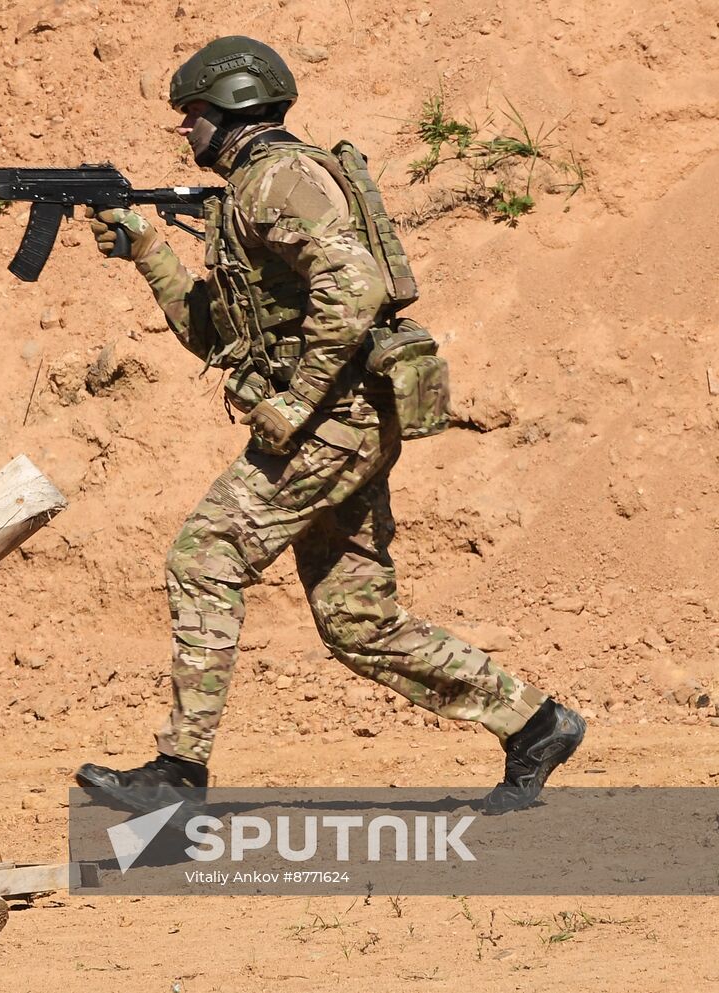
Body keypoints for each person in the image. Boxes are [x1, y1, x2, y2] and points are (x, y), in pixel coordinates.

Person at [74, 35, 583, 816]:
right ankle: (534, 722)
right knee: (358, 620)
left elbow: (355, 287)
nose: (184, 131)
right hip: (340, 420)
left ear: (234, 107)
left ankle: (179, 770)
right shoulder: (252, 188)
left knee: (205, 553)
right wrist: (149, 252)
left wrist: (293, 402)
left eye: (193, 115)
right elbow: (217, 336)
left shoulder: (281, 180)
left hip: (332, 419)